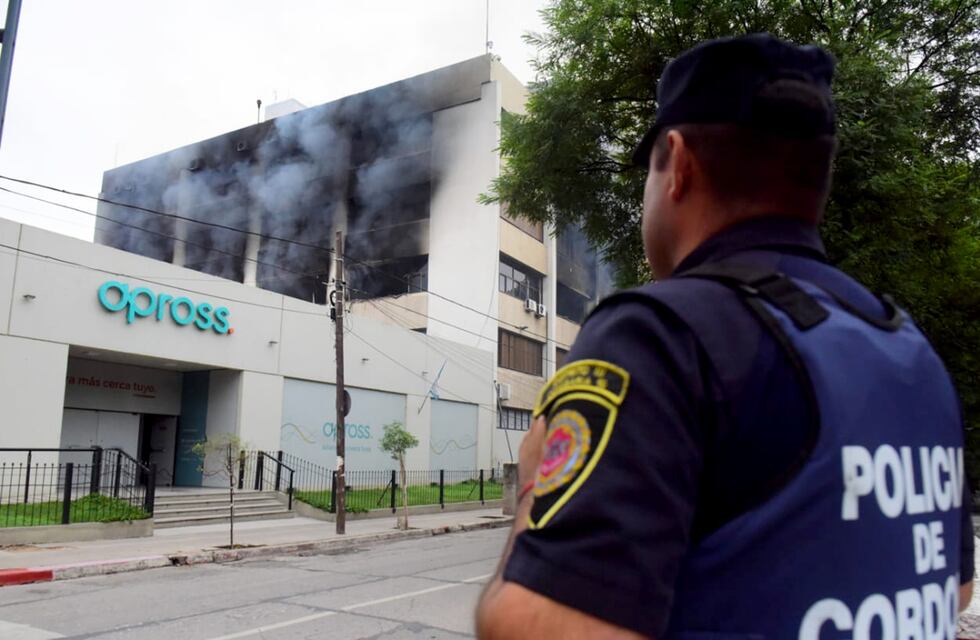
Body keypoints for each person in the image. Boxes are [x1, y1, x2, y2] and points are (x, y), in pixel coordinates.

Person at [476, 33, 974, 639]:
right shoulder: (910, 354)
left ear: (679, 164)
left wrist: (534, 483)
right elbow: (952, 586)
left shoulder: (659, 337)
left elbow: (538, 626)